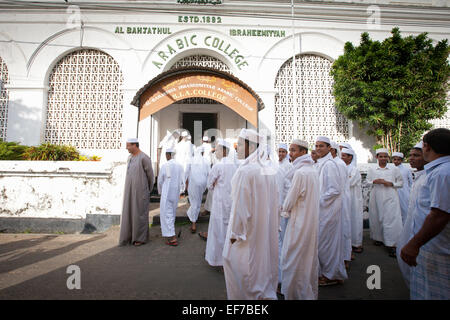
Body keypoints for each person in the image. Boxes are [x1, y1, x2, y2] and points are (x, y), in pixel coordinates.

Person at [222, 128, 279, 300]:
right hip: (263, 231)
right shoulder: (268, 170)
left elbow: (242, 209)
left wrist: (235, 235)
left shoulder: (246, 172)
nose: (237, 148)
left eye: (240, 144)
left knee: (242, 273)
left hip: (245, 234)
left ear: (252, 147)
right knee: (260, 272)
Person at [401, 128, 450, 300]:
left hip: (437, 249)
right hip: (432, 247)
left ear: (427, 147)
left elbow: (440, 215)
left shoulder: (442, 172)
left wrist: (414, 244)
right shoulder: (437, 171)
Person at [280, 139, 320, 300]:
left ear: (303, 152)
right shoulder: (312, 170)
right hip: (310, 220)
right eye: (290, 150)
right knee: (306, 258)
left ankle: (293, 292)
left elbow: (290, 199)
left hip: (298, 221)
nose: (290, 153)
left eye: (293, 150)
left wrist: (283, 211)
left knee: (292, 257)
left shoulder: (300, 172)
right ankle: (304, 291)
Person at [315, 136, 347, 286]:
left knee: (327, 244)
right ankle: (327, 272)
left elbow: (334, 190)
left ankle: (332, 275)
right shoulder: (321, 163)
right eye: (316, 146)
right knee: (322, 244)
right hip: (322, 211)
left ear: (329, 148)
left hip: (328, 210)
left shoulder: (330, 165)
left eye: (322, 146)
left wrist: (317, 201)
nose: (318, 148)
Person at [396, 142, 427, 289]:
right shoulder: (420, 176)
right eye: (410, 155)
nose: (411, 159)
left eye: (416, 155)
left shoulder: (430, 177)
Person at [203, 139, 238, 267]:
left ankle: (217, 259)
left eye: (217, 149)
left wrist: (216, 186)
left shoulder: (218, 166)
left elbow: (209, 184)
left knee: (218, 231)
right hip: (231, 202)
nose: (215, 152)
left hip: (219, 203)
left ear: (224, 151)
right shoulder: (235, 166)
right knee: (228, 230)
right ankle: (229, 259)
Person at [367, 148, 403, 257]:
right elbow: (367, 181)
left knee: (390, 219)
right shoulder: (372, 169)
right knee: (376, 217)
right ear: (377, 157)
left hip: (390, 197)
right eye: (380, 156)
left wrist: (390, 184)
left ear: (388, 157)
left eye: (385, 156)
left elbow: (401, 183)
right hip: (376, 196)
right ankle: (378, 238)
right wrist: (374, 181)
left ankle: (391, 244)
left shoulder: (394, 169)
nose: (383, 158)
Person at [119, 138, 155, 247]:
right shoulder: (130, 158)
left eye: (128, 145)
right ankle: (129, 236)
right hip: (129, 192)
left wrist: (146, 190)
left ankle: (140, 238)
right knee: (129, 213)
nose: (126, 148)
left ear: (135, 145)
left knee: (139, 214)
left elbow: (151, 176)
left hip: (141, 192)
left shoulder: (144, 158)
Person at [330, 141, 352, 269]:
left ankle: (344, 258)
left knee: (343, 228)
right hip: (335, 201)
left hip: (340, 200)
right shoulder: (331, 163)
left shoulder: (338, 163)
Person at [158, 148, 185, 247]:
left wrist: (160, 192)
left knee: (166, 214)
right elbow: (183, 180)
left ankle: (172, 238)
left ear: (168, 155)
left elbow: (160, 181)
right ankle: (170, 235)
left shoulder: (165, 165)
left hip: (167, 193)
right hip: (175, 193)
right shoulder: (180, 166)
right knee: (171, 214)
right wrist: (181, 191)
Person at [276, 143, 294, 286]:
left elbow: (289, 187)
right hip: (277, 207)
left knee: (282, 238)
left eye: (283, 152)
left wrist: (286, 205)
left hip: (283, 207)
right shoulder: (276, 165)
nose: (281, 154)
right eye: (279, 151)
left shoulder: (288, 166)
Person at [341, 148, 364, 254]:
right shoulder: (342, 167)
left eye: (344, 156)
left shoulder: (354, 170)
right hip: (345, 198)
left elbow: (348, 182)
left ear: (350, 157)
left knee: (355, 220)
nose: (342, 158)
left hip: (353, 199)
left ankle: (356, 243)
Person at [185, 146, 210, 234]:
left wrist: (184, 184)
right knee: (197, 202)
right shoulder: (206, 161)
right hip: (202, 185)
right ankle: (192, 215)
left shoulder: (191, 160)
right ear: (202, 153)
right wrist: (208, 185)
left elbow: (186, 173)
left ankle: (193, 224)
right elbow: (209, 174)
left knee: (194, 203)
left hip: (193, 184)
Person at [392, 152, 414, 225]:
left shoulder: (406, 170)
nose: (396, 161)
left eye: (398, 160)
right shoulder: (391, 169)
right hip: (393, 192)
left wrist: (411, 192)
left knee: (405, 210)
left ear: (401, 160)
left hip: (404, 192)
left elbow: (411, 182)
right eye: (394, 159)